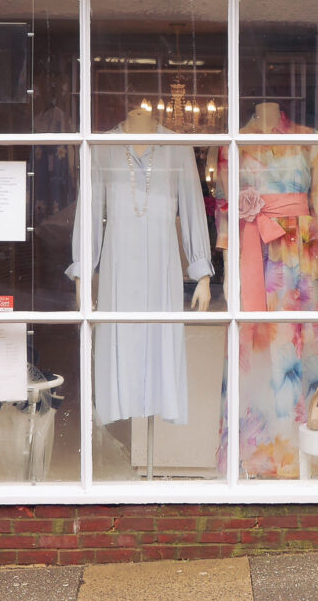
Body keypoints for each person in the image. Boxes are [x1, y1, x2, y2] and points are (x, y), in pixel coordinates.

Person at [215, 103, 318, 479]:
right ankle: (260, 456)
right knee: (258, 347)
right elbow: (225, 209)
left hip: (303, 257)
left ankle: (311, 454)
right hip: (256, 256)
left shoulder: (308, 140)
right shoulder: (233, 143)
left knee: (302, 349)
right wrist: (227, 270)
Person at [68, 107, 213, 426]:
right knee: (121, 335)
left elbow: (191, 204)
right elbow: (89, 211)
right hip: (118, 262)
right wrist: (83, 270)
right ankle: (121, 403)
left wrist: (201, 270)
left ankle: (160, 402)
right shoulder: (101, 145)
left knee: (161, 336)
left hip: (163, 262)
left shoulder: (177, 146)